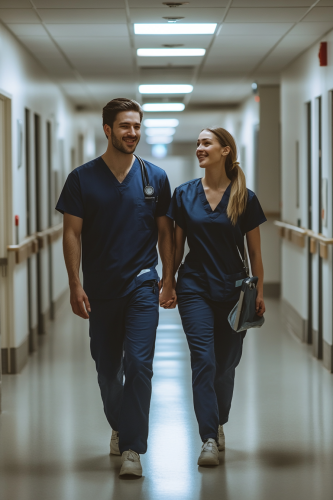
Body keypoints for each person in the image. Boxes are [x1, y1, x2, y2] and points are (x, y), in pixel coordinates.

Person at [55, 98, 176, 477]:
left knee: (139, 365)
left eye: (137, 126)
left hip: (142, 285)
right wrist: (75, 284)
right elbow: (71, 233)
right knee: (108, 371)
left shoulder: (155, 178)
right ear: (107, 130)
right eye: (125, 126)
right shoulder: (82, 178)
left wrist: (168, 276)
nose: (132, 133)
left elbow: (164, 234)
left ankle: (133, 450)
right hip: (101, 290)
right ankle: (121, 424)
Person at [166, 127, 266, 466]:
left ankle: (219, 421)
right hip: (194, 286)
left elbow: (254, 251)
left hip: (234, 290)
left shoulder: (245, 197)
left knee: (225, 365)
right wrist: (169, 281)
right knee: (203, 361)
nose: (199, 148)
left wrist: (259, 291)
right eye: (197, 144)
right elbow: (177, 246)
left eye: (206, 143)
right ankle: (208, 436)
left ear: (226, 151)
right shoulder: (183, 195)